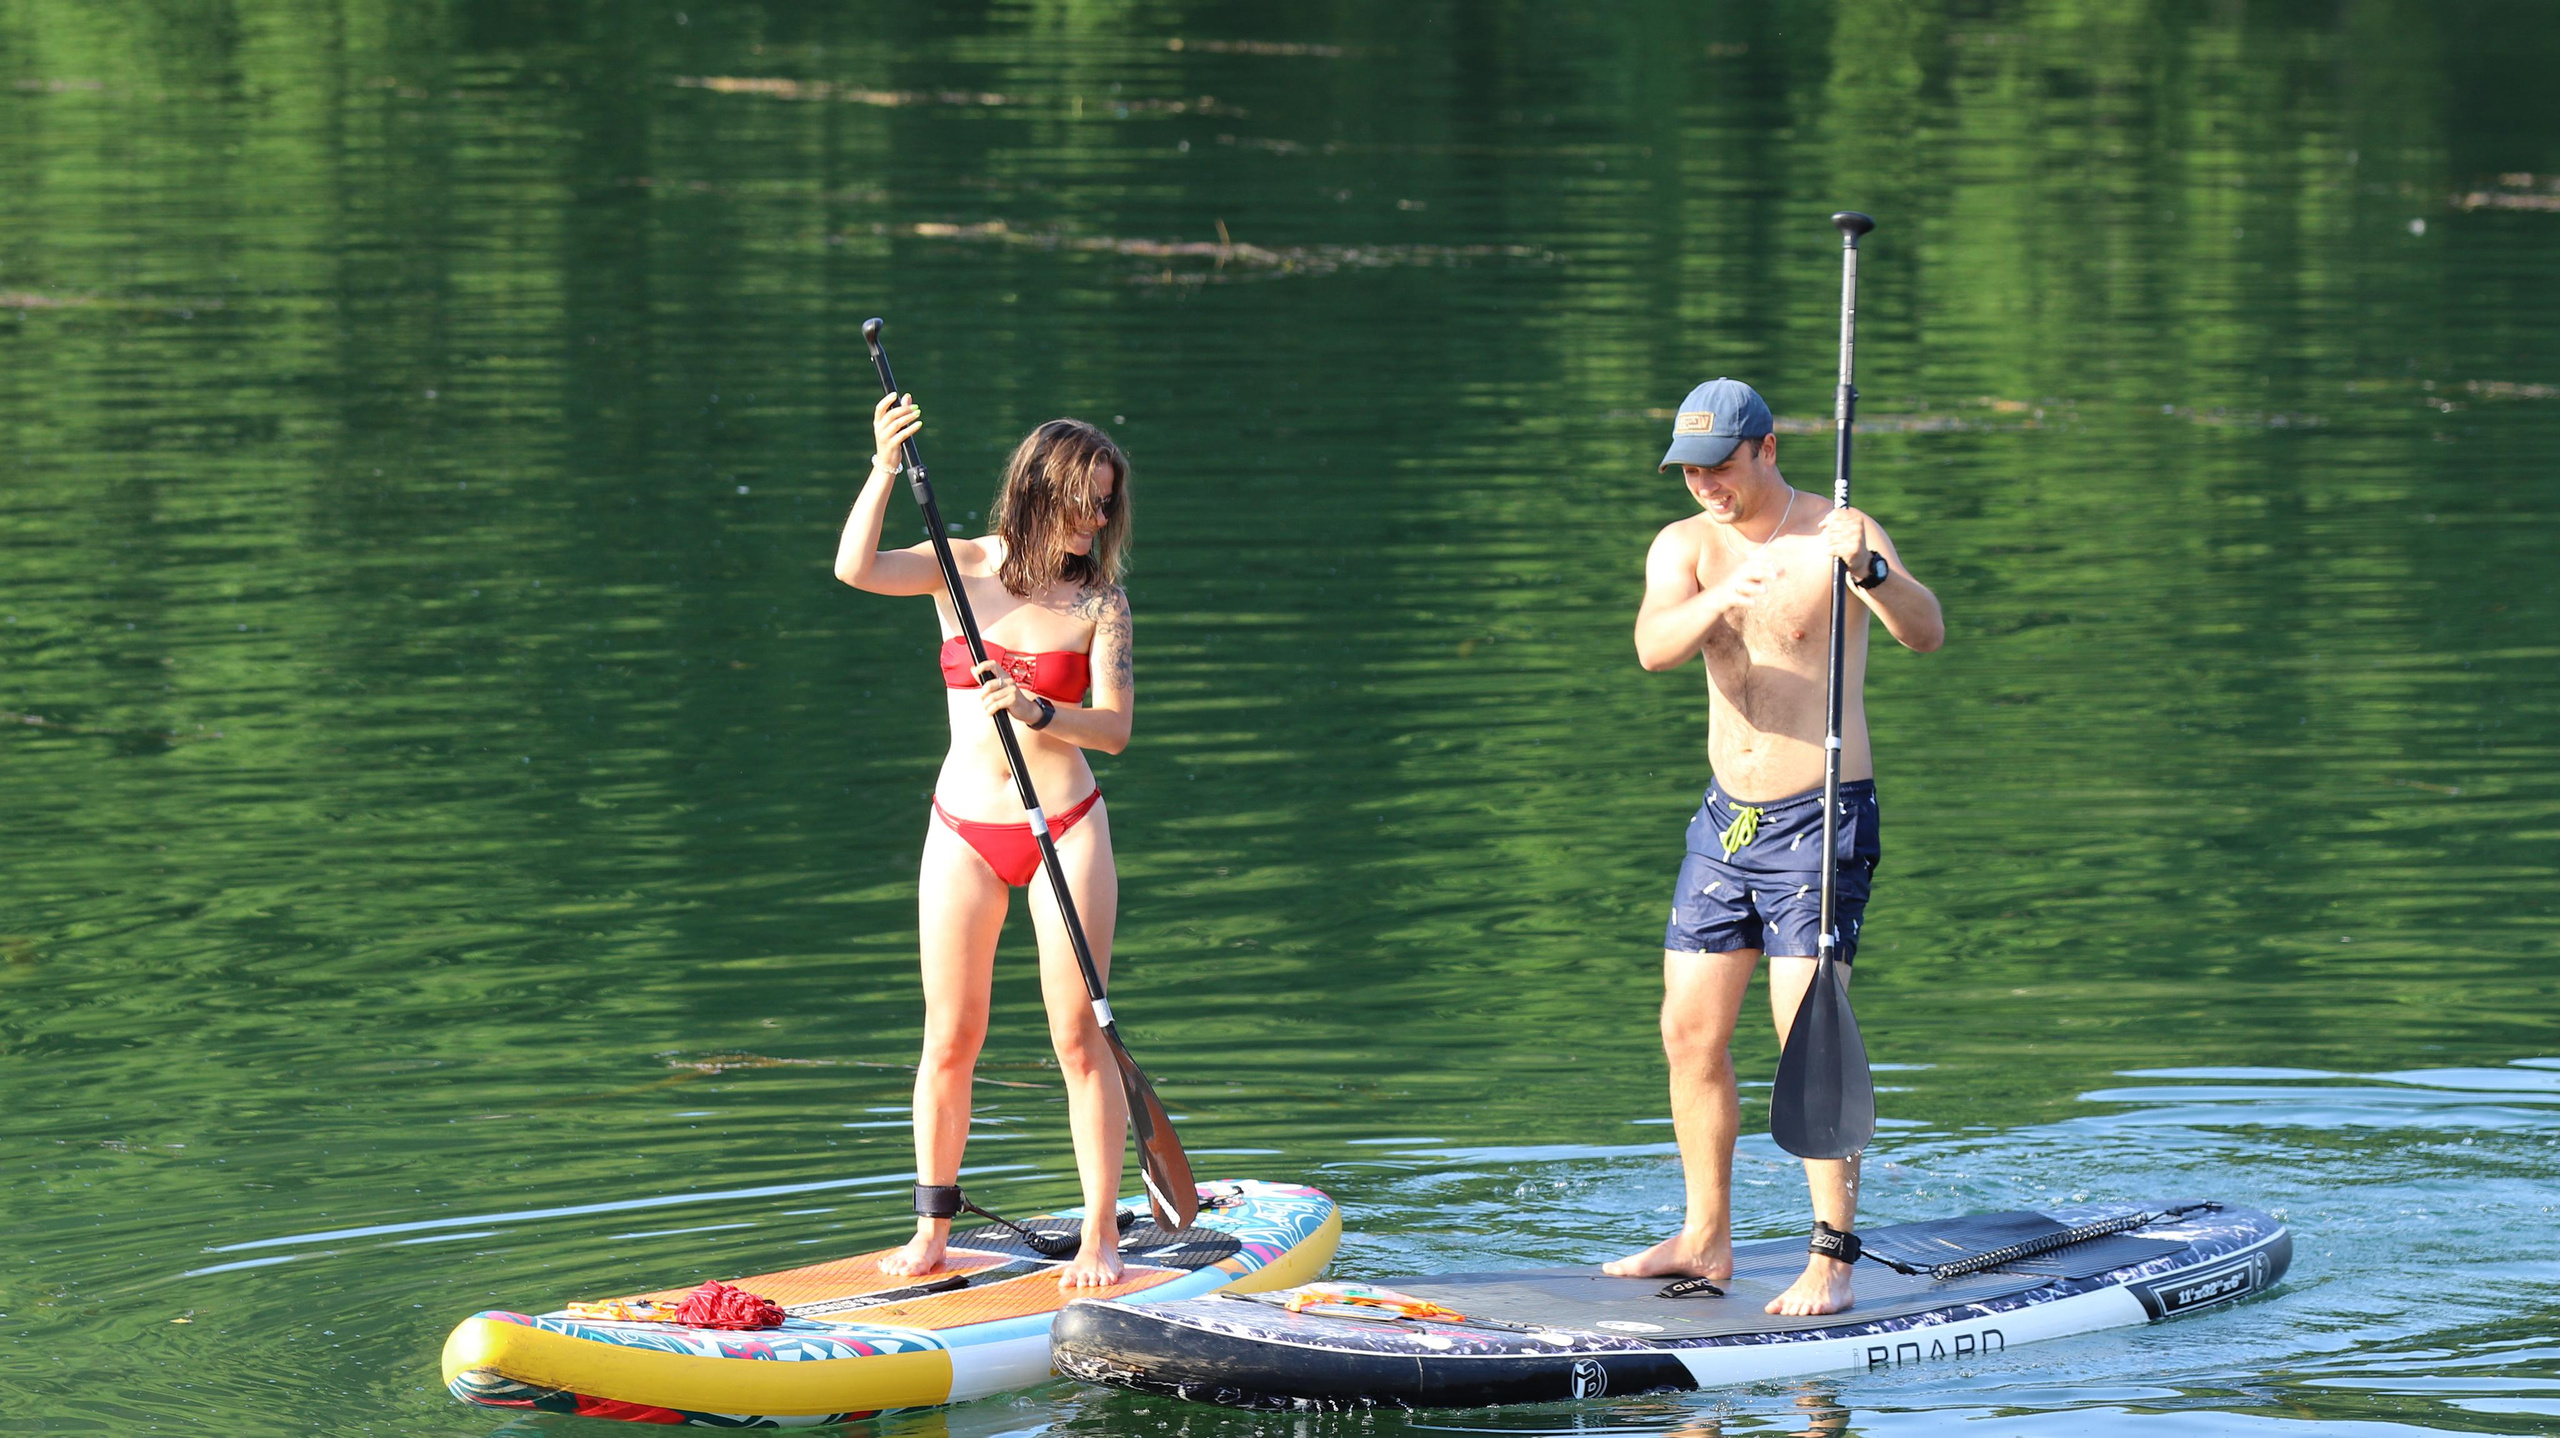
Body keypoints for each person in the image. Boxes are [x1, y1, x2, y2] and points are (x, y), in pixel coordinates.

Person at [1607, 377, 1944, 1316]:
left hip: (1820, 818)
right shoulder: (1685, 548)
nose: (1705, 485)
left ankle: (1832, 1254)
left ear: (1766, 448)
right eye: (1691, 471)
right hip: (1726, 825)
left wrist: (1872, 574)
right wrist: (1720, 599)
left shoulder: (1839, 532)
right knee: (1688, 1032)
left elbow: (1927, 634)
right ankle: (1705, 1241)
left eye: (1720, 466)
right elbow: (1652, 647)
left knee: (1809, 1036)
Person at [834, 391, 1138, 1289]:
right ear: (1039, 492)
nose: (1098, 517)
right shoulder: (958, 565)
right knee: (949, 1037)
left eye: (1109, 501)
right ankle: (931, 1231)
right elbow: (854, 568)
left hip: (1065, 831)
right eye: (1086, 498)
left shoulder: (1102, 605)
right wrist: (885, 466)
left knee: (1078, 1041)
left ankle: (1101, 1237)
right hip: (962, 829)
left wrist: (1039, 707)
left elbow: (1115, 731)